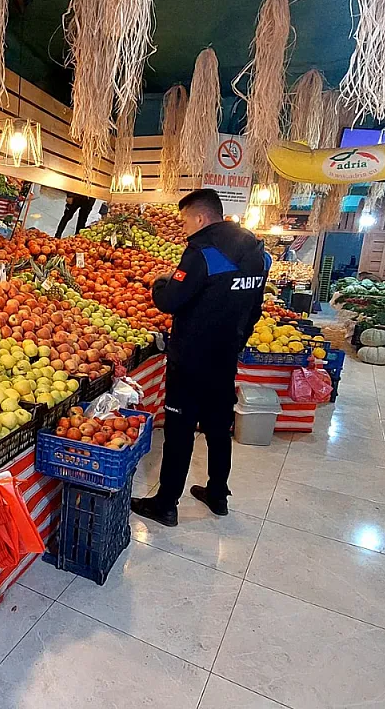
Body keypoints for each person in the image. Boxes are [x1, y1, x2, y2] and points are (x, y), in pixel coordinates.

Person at [131, 188, 270, 527]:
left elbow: (170, 301)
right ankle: (218, 494)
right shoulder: (257, 252)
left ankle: (166, 504)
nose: (183, 229)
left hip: (191, 358)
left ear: (200, 217)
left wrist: (159, 284)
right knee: (219, 428)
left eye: (184, 221)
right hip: (224, 357)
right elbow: (255, 306)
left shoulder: (202, 251)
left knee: (179, 430)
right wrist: (237, 341)